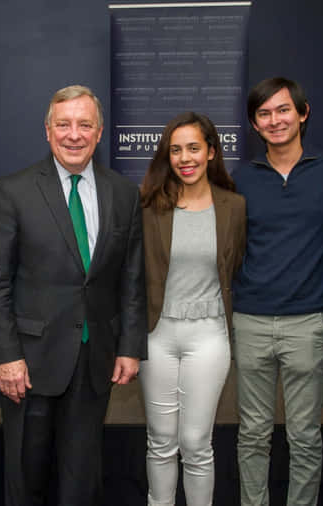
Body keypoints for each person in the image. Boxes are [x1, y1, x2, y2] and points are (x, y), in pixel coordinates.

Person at [0, 84, 147, 505]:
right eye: (64, 124)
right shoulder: (14, 190)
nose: (74, 134)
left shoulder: (124, 193)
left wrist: (129, 347)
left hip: (96, 360)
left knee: (81, 480)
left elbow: (131, 277)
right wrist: (7, 356)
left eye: (84, 124)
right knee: (26, 475)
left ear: (100, 131)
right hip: (30, 364)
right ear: (47, 131)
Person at [232, 77, 323, 506]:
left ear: (303, 112)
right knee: (253, 434)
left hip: (309, 322)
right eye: (264, 114)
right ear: (255, 126)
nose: (275, 120)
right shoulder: (242, 179)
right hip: (251, 320)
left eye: (282, 110)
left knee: (305, 436)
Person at [139, 112, 246, 506]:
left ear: (212, 152)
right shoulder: (149, 206)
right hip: (157, 336)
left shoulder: (234, 207)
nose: (185, 158)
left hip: (210, 335)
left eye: (194, 148)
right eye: (176, 150)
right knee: (161, 441)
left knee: (197, 442)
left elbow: (236, 267)